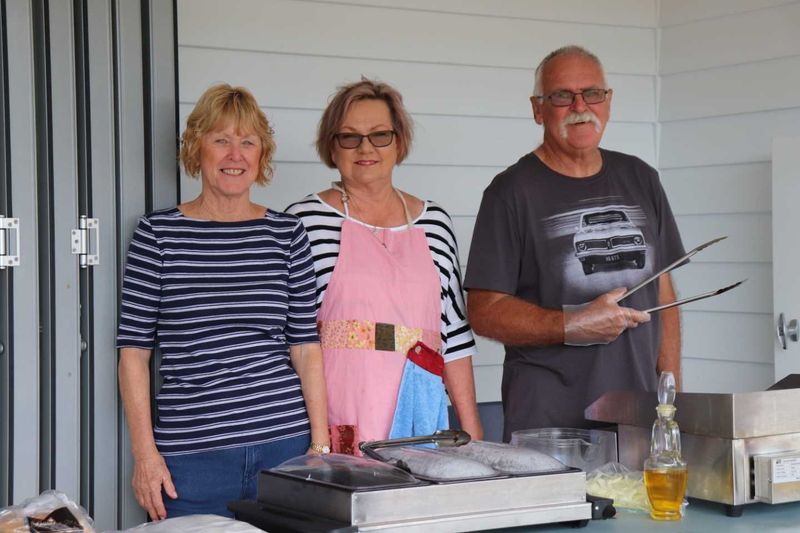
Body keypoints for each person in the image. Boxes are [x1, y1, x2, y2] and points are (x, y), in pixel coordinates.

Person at [117, 84, 329, 520]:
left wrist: (320, 447)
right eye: (221, 140)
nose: (236, 154)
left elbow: (305, 348)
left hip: (284, 448)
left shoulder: (287, 236)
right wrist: (145, 455)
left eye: (248, 142)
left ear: (261, 155)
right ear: (198, 149)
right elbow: (134, 354)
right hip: (192, 461)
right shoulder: (157, 235)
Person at [465, 46, 684, 441]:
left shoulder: (641, 178)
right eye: (562, 96)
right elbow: (484, 312)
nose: (580, 106)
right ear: (538, 109)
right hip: (549, 425)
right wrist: (571, 324)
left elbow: (663, 292)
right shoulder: (510, 193)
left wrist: (671, 398)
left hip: (636, 418)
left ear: (608, 100)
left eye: (592, 93)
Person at [286, 79, 483, 454]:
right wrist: (316, 440)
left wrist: (473, 438)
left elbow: (454, 337)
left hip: (421, 419)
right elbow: (292, 340)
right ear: (332, 145)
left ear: (399, 142)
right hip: (331, 422)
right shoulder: (304, 221)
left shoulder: (434, 223)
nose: (365, 148)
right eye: (349, 137)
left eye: (380, 135)